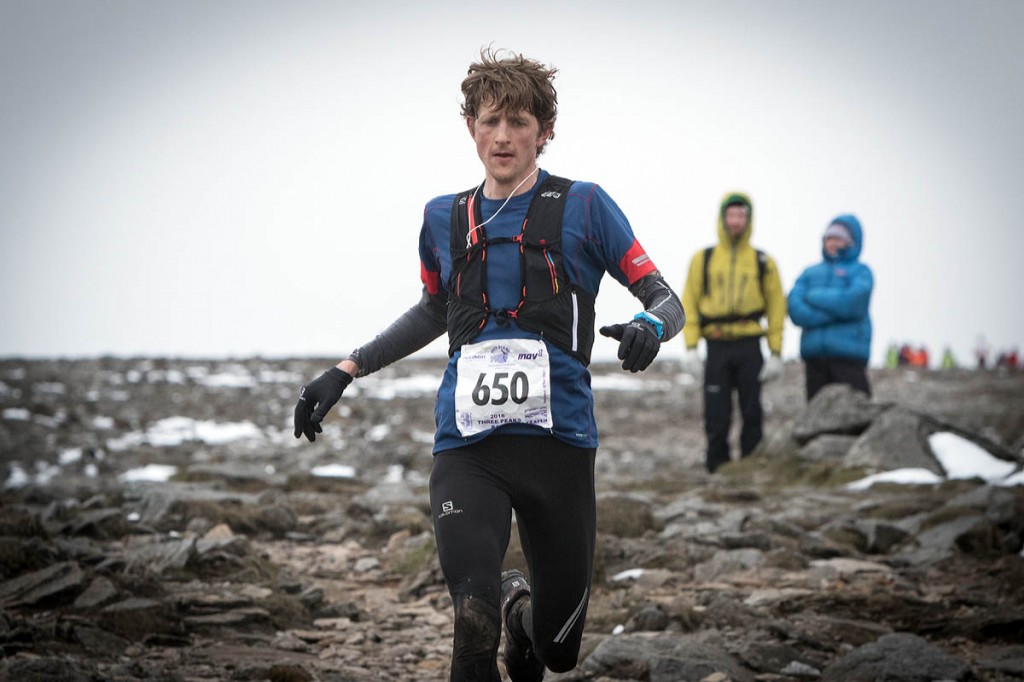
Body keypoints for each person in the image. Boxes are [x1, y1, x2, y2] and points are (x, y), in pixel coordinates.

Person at [293, 48, 683, 681]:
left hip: (560, 444)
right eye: (490, 121)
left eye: (520, 122)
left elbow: (666, 298)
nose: (504, 136)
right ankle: (493, 608)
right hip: (467, 446)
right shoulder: (443, 218)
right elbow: (432, 311)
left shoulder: (586, 206)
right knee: (471, 624)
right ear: (471, 126)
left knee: (557, 650)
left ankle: (520, 610)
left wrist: (650, 326)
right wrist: (346, 369)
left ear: (545, 132)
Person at [680, 193, 786, 473]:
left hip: (750, 345)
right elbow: (688, 302)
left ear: (748, 220)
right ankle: (717, 468)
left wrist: (776, 352)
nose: (736, 221)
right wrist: (690, 347)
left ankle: (751, 467)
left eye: (741, 215)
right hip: (716, 346)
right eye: (731, 215)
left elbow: (777, 307)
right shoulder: (703, 259)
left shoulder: (764, 262)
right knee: (716, 412)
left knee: (752, 411)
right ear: (722, 218)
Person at [787, 215, 873, 400]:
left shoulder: (861, 272)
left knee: (855, 415)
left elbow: (853, 303)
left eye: (839, 238)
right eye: (829, 238)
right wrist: (836, 313)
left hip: (849, 359)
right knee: (817, 417)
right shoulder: (809, 273)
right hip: (815, 360)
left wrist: (813, 297)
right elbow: (794, 309)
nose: (833, 243)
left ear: (852, 242)